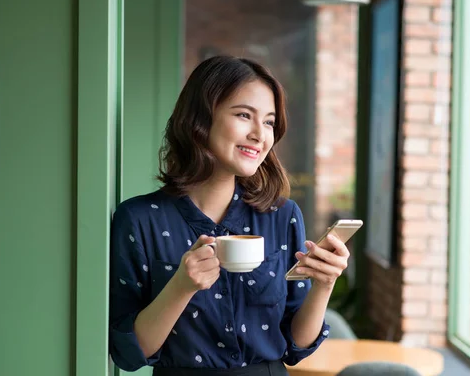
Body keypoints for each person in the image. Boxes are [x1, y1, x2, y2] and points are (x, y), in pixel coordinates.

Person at [109, 56, 350, 375]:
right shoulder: (139, 220)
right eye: (243, 115)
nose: (260, 134)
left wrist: (324, 283)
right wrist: (181, 285)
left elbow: (296, 345)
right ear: (201, 119)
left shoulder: (282, 215)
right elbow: (130, 354)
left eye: (268, 122)